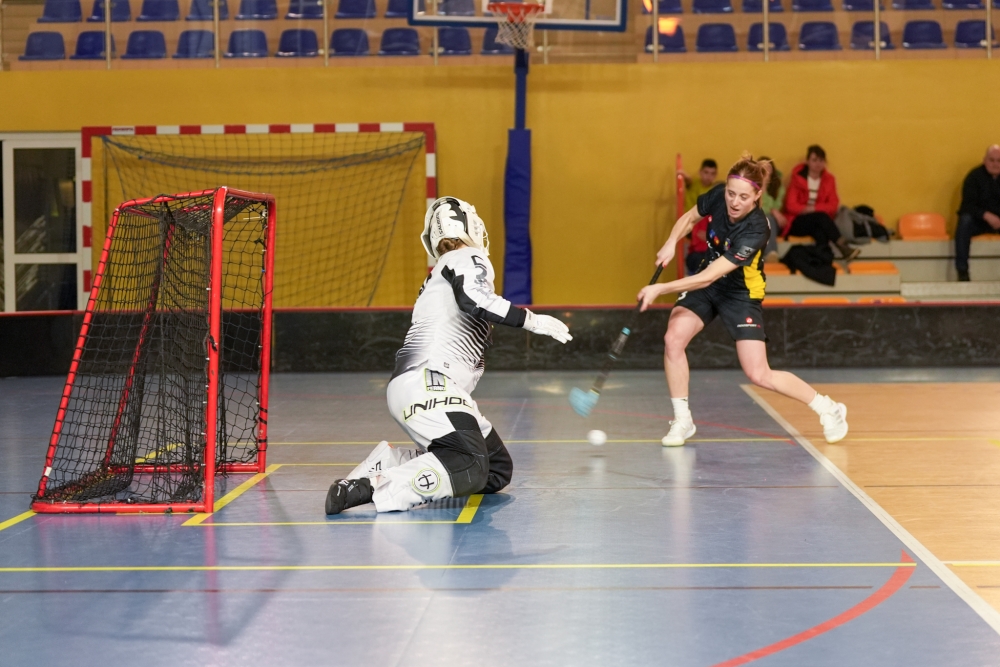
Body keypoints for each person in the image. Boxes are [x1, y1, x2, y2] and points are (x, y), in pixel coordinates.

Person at [325, 197, 573, 515]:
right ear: (469, 226)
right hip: (431, 383)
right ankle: (370, 487)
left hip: (426, 384)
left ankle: (387, 463)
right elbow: (475, 299)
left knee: (495, 469)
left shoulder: (442, 269)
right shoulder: (467, 256)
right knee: (470, 465)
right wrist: (533, 321)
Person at [637, 153, 850, 448]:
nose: (734, 202)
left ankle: (828, 408)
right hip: (709, 283)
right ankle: (682, 420)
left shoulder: (757, 229)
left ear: (757, 196)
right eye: (731, 193)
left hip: (740, 293)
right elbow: (689, 218)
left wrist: (660, 289)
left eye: (743, 197)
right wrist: (671, 243)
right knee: (673, 339)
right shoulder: (719, 196)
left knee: (759, 373)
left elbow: (708, 277)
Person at [782, 145, 860, 261]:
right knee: (821, 217)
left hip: (818, 222)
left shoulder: (829, 180)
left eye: (821, 160)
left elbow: (833, 205)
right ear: (807, 161)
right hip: (797, 221)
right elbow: (790, 205)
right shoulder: (797, 178)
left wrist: (813, 208)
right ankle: (843, 246)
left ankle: (823, 260)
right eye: (814, 160)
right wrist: (808, 209)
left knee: (820, 232)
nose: (818, 164)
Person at [954, 145, 1000, 282]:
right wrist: (986, 215)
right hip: (979, 222)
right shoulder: (974, 177)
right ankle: (962, 271)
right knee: (964, 221)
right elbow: (967, 205)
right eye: (991, 160)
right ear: (984, 160)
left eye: (999, 161)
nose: (995, 164)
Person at [682, 159, 720, 274]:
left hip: (705, 225)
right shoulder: (694, 184)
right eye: (706, 172)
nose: (708, 177)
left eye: (712, 174)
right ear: (700, 172)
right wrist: (682, 174)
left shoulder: (714, 190)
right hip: (691, 223)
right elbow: (687, 180)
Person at [758, 156, 786, 262]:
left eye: (768, 168)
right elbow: (758, 207)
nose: (766, 171)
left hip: (774, 222)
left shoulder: (778, 187)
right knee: (766, 218)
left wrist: (773, 211)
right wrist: (763, 186)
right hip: (757, 220)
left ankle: (771, 253)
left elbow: (777, 206)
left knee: (769, 219)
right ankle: (771, 253)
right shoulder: (752, 187)